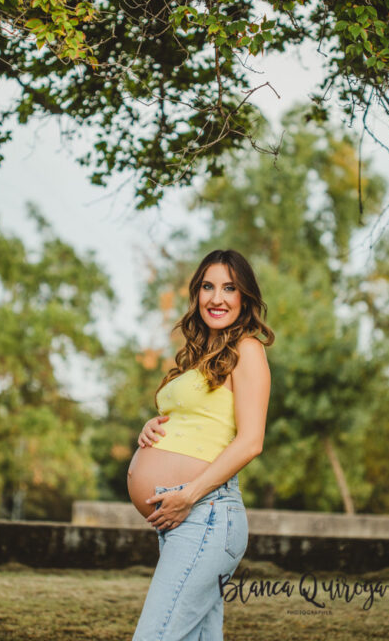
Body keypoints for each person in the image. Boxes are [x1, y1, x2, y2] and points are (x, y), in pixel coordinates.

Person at [126, 249, 273, 640]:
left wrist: (188, 494)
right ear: (196, 294)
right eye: (208, 286)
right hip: (184, 517)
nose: (217, 298)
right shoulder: (199, 357)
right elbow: (195, 419)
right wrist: (152, 429)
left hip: (204, 512)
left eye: (229, 288)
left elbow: (251, 441)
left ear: (245, 298)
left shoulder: (248, 349)